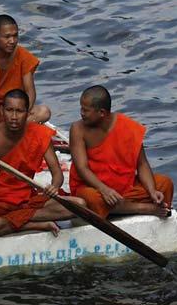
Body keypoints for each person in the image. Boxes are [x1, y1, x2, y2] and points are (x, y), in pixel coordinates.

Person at [0, 89, 85, 238]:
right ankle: (30, 224)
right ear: (2, 110)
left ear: (28, 113)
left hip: (27, 200)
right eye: (9, 110)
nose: (14, 117)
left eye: (19, 111)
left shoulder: (39, 134)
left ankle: (18, 219)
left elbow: (57, 174)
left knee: (79, 206)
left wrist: (54, 187)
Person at [69, 85, 173, 218]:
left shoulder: (128, 127)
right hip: (94, 187)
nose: (81, 113)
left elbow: (142, 164)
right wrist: (104, 189)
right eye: (81, 108)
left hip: (123, 187)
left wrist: (152, 191)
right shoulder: (78, 129)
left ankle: (123, 207)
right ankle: (144, 208)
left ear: (101, 112)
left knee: (164, 183)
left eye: (86, 110)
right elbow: (82, 168)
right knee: (92, 199)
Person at [0, 14, 51, 123]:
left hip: (16, 110)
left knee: (44, 112)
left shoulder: (21, 54)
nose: (12, 41)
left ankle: (10, 127)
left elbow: (30, 92)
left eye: (15, 36)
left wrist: (21, 113)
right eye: (7, 37)